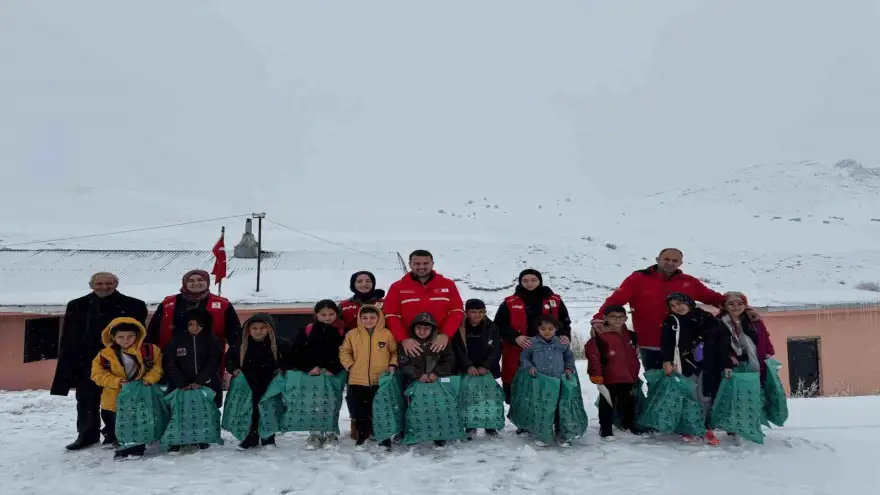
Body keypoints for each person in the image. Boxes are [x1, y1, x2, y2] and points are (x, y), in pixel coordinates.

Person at [51, 272, 148, 451]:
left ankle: (116, 434)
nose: (104, 287)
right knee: (86, 399)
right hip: (85, 362)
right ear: (91, 285)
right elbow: (69, 337)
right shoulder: (77, 305)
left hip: (121, 362)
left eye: (109, 283)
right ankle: (87, 435)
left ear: (116, 284)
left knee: (118, 400)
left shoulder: (134, 305)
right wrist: (68, 364)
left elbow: (140, 337)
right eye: (100, 283)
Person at [592, 248, 726, 372]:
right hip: (651, 343)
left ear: (680, 263)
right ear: (658, 259)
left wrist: (738, 303)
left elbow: (713, 298)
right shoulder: (638, 279)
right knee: (656, 383)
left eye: (675, 261)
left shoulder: (689, 282)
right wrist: (599, 318)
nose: (670, 263)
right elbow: (615, 300)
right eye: (666, 259)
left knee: (687, 385)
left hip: (683, 345)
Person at [660, 292, 732, 445]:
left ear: (688, 302)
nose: (677, 308)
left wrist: (726, 363)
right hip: (685, 364)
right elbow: (667, 343)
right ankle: (691, 427)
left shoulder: (705, 318)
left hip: (709, 364)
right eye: (672, 306)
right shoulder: (671, 321)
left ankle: (705, 427)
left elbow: (723, 340)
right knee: (690, 396)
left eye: (679, 303)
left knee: (706, 396)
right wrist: (666, 361)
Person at [494, 269, 572, 405]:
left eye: (533, 280)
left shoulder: (555, 300)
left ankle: (549, 420)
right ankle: (523, 422)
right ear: (520, 282)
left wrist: (565, 334)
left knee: (549, 385)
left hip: (549, 350)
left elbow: (564, 321)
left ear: (540, 280)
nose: (529, 283)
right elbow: (499, 325)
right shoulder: (510, 302)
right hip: (518, 349)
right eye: (525, 281)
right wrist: (515, 337)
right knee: (519, 384)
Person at [90, 317, 163, 461]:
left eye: (130, 336)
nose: (125, 340)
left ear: (138, 335)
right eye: (120, 337)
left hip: (142, 394)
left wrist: (148, 379)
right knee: (119, 423)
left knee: (139, 422)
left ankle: (135, 447)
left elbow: (157, 367)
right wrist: (117, 382)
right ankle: (118, 440)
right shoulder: (105, 355)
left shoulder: (149, 350)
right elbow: (97, 374)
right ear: (113, 337)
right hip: (115, 396)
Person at [146, 269, 241, 380]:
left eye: (200, 280)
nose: (196, 283)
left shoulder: (223, 305)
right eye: (191, 280)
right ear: (184, 283)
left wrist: (234, 362)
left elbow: (236, 337)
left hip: (210, 363)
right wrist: (149, 356)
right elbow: (152, 332)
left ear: (207, 281)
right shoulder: (168, 304)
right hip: (172, 363)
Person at [383, 250, 465, 358]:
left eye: (425, 263)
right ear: (410, 265)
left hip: (442, 344)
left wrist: (445, 334)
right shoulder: (397, 287)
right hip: (411, 346)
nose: (421, 267)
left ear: (432, 264)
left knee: (443, 373)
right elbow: (391, 316)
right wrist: (404, 339)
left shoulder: (447, 284)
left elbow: (457, 311)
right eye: (417, 263)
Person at [162, 308, 223, 452]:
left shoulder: (211, 341)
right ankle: (177, 439)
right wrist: (180, 382)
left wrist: (200, 380)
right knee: (180, 413)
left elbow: (213, 362)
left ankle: (202, 438)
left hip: (204, 384)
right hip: (181, 385)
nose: (194, 328)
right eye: (190, 325)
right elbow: (170, 363)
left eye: (198, 325)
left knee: (203, 413)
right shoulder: (176, 341)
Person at [339, 305, 398, 451]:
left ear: (379, 318)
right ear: (359, 318)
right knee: (361, 412)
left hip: (381, 380)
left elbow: (395, 352)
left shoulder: (386, 334)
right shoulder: (352, 334)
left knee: (381, 410)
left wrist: (392, 365)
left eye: (372, 317)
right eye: (364, 318)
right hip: (357, 380)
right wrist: (351, 366)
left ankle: (384, 439)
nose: (368, 320)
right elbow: (344, 352)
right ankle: (362, 437)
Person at [289, 299, 346, 451]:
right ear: (316, 315)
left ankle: (331, 433)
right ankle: (315, 434)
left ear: (337, 314)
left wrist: (334, 368)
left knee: (332, 404)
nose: (327, 317)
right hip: (312, 374)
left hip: (334, 374)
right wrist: (308, 367)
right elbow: (296, 352)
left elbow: (348, 353)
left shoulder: (343, 330)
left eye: (331, 314)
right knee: (313, 404)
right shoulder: (307, 329)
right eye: (323, 314)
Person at [398, 312, 457, 451]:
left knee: (437, 409)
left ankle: (439, 436)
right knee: (413, 410)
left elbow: (449, 360)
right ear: (413, 329)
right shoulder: (406, 344)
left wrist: (437, 373)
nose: (422, 331)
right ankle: (413, 434)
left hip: (436, 383)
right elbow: (403, 362)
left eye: (426, 328)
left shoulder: (440, 343)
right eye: (419, 328)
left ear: (432, 329)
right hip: (414, 383)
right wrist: (418, 375)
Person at [585, 305, 642, 441]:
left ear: (626, 318)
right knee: (607, 403)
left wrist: (635, 371)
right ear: (605, 318)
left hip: (628, 376)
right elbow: (594, 356)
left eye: (621, 317)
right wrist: (596, 374)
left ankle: (628, 424)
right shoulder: (600, 336)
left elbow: (634, 355)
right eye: (613, 317)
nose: (617, 319)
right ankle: (605, 429)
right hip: (608, 376)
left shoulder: (631, 335)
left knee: (628, 401)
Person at [226, 314, 283, 450]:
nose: (259, 331)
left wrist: (283, 369)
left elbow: (289, 360)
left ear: (269, 329)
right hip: (248, 384)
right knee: (250, 411)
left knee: (269, 410)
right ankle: (250, 437)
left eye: (262, 328)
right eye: (255, 328)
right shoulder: (240, 345)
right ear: (248, 330)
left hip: (270, 384)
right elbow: (228, 360)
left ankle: (268, 438)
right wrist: (234, 370)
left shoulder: (279, 344)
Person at [338, 273, 384, 439]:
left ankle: (379, 425)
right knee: (355, 394)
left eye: (368, 281)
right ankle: (357, 425)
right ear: (353, 284)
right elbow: (337, 330)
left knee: (379, 392)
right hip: (356, 358)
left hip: (379, 356)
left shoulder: (382, 303)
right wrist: (349, 362)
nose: (364, 284)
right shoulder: (344, 306)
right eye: (359, 281)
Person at [519, 315, 576, 448]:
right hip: (540, 381)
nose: (547, 331)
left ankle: (561, 433)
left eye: (551, 328)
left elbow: (569, 357)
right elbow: (524, 357)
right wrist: (530, 367)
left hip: (559, 380)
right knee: (542, 407)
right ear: (538, 329)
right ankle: (543, 434)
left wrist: (568, 368)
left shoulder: (562, 342)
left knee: (559, 408)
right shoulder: (531, 343)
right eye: (543, 328)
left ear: (556, 329)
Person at [452, 298, 502, 440]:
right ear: (466, 312)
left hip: (486, 370)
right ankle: (470, 425)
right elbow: (458, 349)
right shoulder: (460, 328)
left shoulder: (492, 327)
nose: (477, 315)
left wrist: (486, 366)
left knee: (489, 398)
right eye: (473, 312)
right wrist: (468, 366)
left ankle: (490, 426)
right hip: (468, 370)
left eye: (481, 312)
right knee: (469, 398)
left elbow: (496, 350)